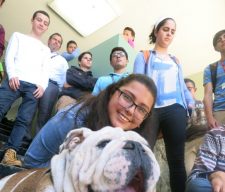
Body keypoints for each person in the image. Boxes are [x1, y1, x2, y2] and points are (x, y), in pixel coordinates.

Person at [24, 74, 157, 168]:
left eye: (142, 109)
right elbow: (31, 162)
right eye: (127, 97)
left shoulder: (131, 142)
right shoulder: (73, 119)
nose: (131, 110)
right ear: (112, 93)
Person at [133, 17, 194, 192]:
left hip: (175, 109)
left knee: (176, 161)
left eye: (172, 31)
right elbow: (137, 83)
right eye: (165, 29)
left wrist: (191, 103)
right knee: (143, 157)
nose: (169, 33)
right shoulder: (143, 56)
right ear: (157, 31)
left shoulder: (176, 61)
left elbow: (183, 87)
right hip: (150, 110)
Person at [0, 10, 50, 167]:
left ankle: (10, 153)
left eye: (45, 23)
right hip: (14, 80)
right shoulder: (17, 36)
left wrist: (43, 86)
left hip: (33, 87)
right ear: (32, 20)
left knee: (23, 121)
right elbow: (9, 56)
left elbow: (45, 70)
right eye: (39, 20)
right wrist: (12, 74)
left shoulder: (46, 50)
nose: (41, 24)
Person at [34, 32, 68, 133]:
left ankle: (36, 141)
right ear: (49, 40)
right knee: (28, 110)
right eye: (54, 39)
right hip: (35, 82)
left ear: (60, 46)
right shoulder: (39, 52)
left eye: (59, 42)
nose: (56, 42)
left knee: (44, 114)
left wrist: (58, 91)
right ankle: (23, 137)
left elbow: (64, 79)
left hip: (51, 86)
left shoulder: (63, 61)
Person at [184, 78, 208, 175]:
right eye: (184, 90)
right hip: (188, 143)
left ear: (195, 89)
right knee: (189, 174)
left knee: (210, 173)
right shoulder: (179, 108)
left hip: (205, 140)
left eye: (189, 89)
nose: (187, 93)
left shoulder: (204, 104)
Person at [203, 29, 225, 129]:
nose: (223, 40)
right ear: (216, 47)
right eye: (219, 40)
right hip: (220, 112)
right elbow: (207, 94)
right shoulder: (210, 69)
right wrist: (209, 117)